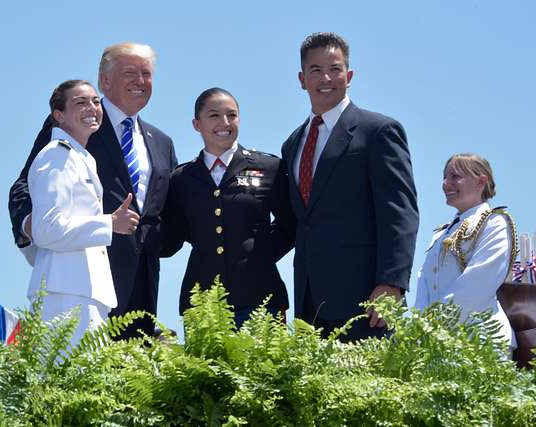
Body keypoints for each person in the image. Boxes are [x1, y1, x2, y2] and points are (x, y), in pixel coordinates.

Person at [9, 43, 177, 339]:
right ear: (105, 81)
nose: (140, 81)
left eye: (146, 74)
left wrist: (161, 243)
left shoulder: (162, 142)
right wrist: (32, 228)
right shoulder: (75, 126)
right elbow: (24, 186)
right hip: (79, 273)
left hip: (143, 281)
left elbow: (169, 209)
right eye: (130, 72)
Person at [281, 32, 419, 341]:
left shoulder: (378, 131)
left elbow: (399, 212)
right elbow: (297, 223)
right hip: (310, 306)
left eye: (335, 68)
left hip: (367, 303)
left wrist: (391, 283)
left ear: (349, 75)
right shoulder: (293, 144)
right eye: (315, 70)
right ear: (302, 79)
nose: (325, 77)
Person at [161, 88, 295, 327]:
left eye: (231, 115)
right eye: (214, 115)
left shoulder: (269, 167)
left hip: (260, 300)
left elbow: (290, 224)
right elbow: (173, 235)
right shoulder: (181, 178)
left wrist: (258, 255)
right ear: (196, 124)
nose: (224, 123)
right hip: (203, 303)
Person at [27, 79, 140, 345]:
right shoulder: (57, 156)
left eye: (95, 101)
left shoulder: (80, 157)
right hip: (66, 293)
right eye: (80, 103)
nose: (92, 107)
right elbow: (46, 229)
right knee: (70, 381)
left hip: (83, 291)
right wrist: (109, 224)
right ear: (59, 115)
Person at [415, 153, 516, 350]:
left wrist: (434, 327)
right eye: (445, 177)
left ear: (481, 182)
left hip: (482, 342)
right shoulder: (440, 235)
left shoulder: (494, 223)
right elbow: (424, 284)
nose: (446, 183)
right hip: (436, 344)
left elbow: (478, 283)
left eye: (455, 176)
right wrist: (420, 332)